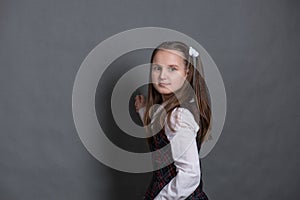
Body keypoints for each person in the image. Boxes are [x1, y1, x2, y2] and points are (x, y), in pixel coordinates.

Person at [135, 41, 211, 200]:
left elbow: (190, 175)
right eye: (157, 68)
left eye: (172, 69)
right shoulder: (166, 109)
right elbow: (160, 138)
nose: (162, 76)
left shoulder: (179, 116)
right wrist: (143, 111)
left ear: (187, 73)